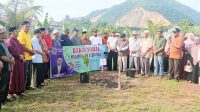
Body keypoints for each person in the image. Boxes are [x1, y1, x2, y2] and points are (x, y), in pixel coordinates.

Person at [6, 27, 25, 99]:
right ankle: (11, 92)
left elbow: (21, 48)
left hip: (20, 61)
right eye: (16, 31)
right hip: (15, 62)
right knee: (14, 77)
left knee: (20, 76)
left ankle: (19, 91)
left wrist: (23, 56)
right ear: (11, 33)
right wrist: (19, 56)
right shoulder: (9, 41)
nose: (17, 32)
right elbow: (11, 50)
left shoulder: (17, 40)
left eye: (17, 31)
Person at [17, 21, 35, 90]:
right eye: (26, 26)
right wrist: (31, 51)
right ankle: (23, 87)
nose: (28, 28)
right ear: (22, 26)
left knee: (29, 73)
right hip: (25, 57)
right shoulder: (21, 34)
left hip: (30, 56)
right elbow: (22, 47)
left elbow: (30, 44)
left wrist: (32, 50)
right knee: (24, 73)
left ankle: (28, 86)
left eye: (29, 26)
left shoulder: (28, 34)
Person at [0, 25, 15, 104]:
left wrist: (12, 57)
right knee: (3, 84)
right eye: (3, 33)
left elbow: (8, 53)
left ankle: (5, 98)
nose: (5, 34)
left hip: (8, 66)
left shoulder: (3, 42)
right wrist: (10, 61)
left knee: (7, 83)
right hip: (3, 67)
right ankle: (2, 101)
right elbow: (2, 56)